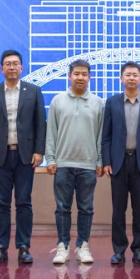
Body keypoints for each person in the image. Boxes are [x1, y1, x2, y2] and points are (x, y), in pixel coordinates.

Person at [0, 49, 46, 265]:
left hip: (25, 156)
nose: (11, 67)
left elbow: (40, 123)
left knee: (24, 202)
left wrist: (39, 151)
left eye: (15, 63)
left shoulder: (33, 91)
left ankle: (24, 246)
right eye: (7, 64)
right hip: (0, 156)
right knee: (1, 203)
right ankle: (1, 247)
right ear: (1, 68)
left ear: (21, 68)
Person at [45, 60, 105, 265]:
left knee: (86, 208)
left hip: (88, 166)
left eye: (84, 74)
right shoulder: (57, 101)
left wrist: (100, 160)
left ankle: (83, 246)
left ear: (90, 77)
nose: (80, 77)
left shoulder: (98, 103)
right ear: (69, 76)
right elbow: (51, 132)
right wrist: (50, 158)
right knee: (62, 208)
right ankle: (62, 246)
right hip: (63, 164)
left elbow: (100, 135)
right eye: (76, 74)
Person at [102, 61, 140, 265]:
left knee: (139, 209)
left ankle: (139, 249)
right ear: (121, 78)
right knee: (118, 209)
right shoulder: (112, 103)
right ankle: (118, 250)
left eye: (135, 75)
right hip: (118, 162)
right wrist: (106, 161)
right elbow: (106, 135)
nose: (132, 78)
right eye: (128, 75)